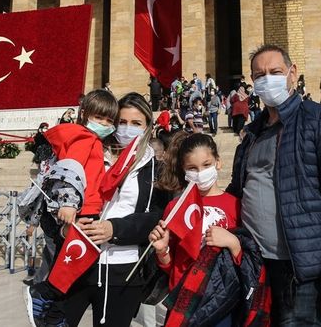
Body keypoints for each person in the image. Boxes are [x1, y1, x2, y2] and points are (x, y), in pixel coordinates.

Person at [227, 44, 321, 325]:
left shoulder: (320, 121)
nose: (267, 79)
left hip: (300, 271)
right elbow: (236, 191)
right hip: (256, 266)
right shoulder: (252, 133)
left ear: (292, 74)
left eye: (275, 72)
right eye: (259, 75)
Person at [61, 93, 172, 327]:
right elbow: (53, 201)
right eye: (122, 122)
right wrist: (64, 228)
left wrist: (114, 228)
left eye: (136, 123)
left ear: (148, 127)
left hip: (124, 271)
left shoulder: (156, 169)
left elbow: (155, 217)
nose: (127, 129)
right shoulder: (88, 154)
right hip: (78, 261)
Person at [20, 89, 119, 326]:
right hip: (82, 209)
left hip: (87, 207)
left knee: (74, 263)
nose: (104, 124)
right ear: (84, 114)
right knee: (74, 265)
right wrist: (68, 203)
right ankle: (43, 295)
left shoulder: (88, 138)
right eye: (99, 118)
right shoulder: (85, 138)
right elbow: (69, 169)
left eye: (108, 120)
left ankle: (52, 311)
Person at [150, 132, 268, 325]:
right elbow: (171, 266)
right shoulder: (175, 208)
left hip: (221, 302)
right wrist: (162, 250)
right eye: (192, 168)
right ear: (184, 170)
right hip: (185, 300)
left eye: (206, 165)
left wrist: (233, 242)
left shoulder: (237, 205)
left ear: (218, 162)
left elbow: (249, 261)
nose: (200, 172)